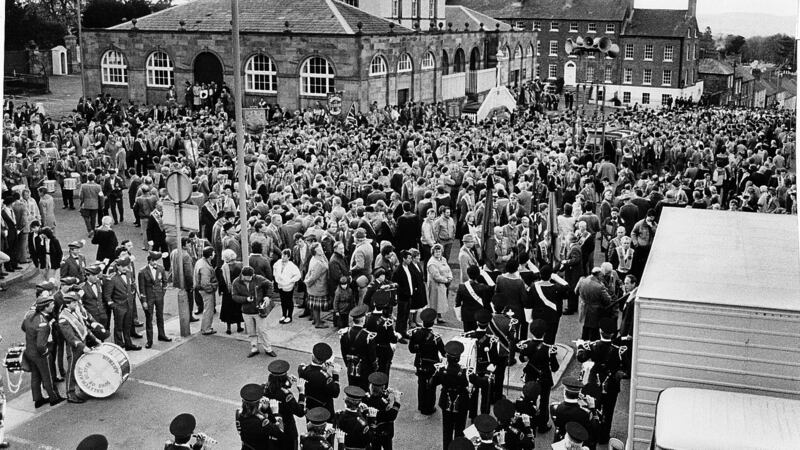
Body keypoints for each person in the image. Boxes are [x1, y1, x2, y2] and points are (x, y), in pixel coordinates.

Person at [576, 318, 629, 445]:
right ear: (612, 333)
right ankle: (604, 436)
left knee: (594, 408)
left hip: (596, 382)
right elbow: (626, 369)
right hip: (611, 384)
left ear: (600, 331)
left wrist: (579, 347)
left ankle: (593, 432)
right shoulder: (620, 349)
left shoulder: (592, 345)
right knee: (608, 411)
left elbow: (581, 358)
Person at [58, 292, 102, 403]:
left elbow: (84, 328)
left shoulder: (75, 312)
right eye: (74, 302)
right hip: (74, 348)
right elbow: (70, 337)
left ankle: (84, 389)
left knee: (83, 368)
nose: (76, 304)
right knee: (72, 370)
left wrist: (95, 339)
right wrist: (83, 347)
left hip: (82, 345)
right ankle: (70, 393)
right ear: (67, 304)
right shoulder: (63, 318)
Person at [21, 296, 64, 408]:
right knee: (47, 376)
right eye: (51, 305)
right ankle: (54, 397)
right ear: (45, 307)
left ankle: (38, 399)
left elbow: (23, 327)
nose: (53, 306)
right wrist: (46, 353)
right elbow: (41, 344)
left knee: (35, 377)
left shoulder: (30, 316)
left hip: (30, 352)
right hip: (40, 354)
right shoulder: (44, 324)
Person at [517, 319, 559, 433]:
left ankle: (530, 422)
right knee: (544, 402)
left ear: (531, 332)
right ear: (544, 333)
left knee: (530, 400)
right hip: (544, 377)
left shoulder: (527, 346)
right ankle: (542, 424)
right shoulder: (549, 349)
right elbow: (555, 367)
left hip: (531, 375)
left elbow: (522, 360)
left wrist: (523, 351)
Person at [431, 340, 471, 450]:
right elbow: (474, 383)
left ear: (447, 357)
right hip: (461, 402)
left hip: (446, 401)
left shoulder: (442, 370)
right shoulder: (465, 372)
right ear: (459, 358)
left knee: (447, 430)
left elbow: (431, 384)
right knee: (460, 429)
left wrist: (436, 373)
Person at [232, 266, 277, 358]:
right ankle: (254, 348)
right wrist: (245, 299)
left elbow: (269, 284)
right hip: (246, 311)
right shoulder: (236, 282)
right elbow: (234, 296)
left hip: (258, 310)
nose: (250, 278)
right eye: (248, 277)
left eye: (251, 276)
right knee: (251, 331)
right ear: (243, 275)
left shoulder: (258, 278)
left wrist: (268, 296)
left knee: (262, 330)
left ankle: (268, 348)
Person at [464, 309, 502, 418]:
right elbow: (495, 358)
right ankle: (484, 416)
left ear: (477, 322)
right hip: (486, 370)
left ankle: (472, 415)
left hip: (473, 369)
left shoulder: (469, 335)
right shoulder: (492, 340)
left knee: (472, 393)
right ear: (488, 324)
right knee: (486, 395)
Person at [262, 359, 307, 450]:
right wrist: (302, 392)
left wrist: (286, 384)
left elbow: (276, 388)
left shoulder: (264, 388)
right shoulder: (287, 395)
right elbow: (300, 412)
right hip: (287, 432)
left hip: (272, 429)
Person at [407, 308, 445, 415]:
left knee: (421, 385)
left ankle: (421, 405)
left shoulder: (415, 334)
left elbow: (412, 350)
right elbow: (443, 352)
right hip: (432, 364)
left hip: (420, 363)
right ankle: (429, 407)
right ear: (432, 323)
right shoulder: (436, 337)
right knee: (431, 386)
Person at [103, 256, 141, 351]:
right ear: (117, 266)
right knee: (118, 327)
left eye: (126, 266)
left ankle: (128, 344)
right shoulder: (112, 278)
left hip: (128, 304)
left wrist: (132, 295)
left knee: (127, 326)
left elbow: (131, 285)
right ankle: (119, 345)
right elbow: (107, 295)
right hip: (119, 306)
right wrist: (113, 306)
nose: (125, 268)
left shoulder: (128, 273)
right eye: (122, 266)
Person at [551, 377, 601, 447]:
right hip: (579, 444)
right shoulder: (586, 413)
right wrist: (592, 408)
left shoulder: (554, 407)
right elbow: (595, 430)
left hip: (561, 441)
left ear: (564, 391)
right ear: (578, 394)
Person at [235, 383, 285, 450]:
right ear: (258, 403)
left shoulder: (238, 412)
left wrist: (264, 410)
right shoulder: (261, 421)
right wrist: (275, 413)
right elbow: (280, 432)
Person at [137, 251, 171, 348]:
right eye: (153, 261)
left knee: (160, 316)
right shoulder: (142, 272)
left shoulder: (161, 268)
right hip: (149, 298)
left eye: (156, 260)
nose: (155, 262)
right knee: (149, 319)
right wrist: (144, 301)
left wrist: (162, 293)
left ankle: (162, 334)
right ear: (149, 261)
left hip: (159, 296)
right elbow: (141, 288)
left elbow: (165, 282)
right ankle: (149, 340)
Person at [298, 343, 340, 420]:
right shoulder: (326, 377)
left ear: (313, 355)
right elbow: (335, 393)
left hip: (310, 407)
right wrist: (335, 374)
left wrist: (323, 369)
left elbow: (310, 370)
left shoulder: (302, 369)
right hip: (325, 409)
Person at [528, 264, 568, 344]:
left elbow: (529, 303)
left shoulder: (533, 287)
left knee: (538, 338)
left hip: (538, 316)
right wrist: (556, 277)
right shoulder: (557, 288)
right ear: (550, 276)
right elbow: (567, 287)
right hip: (552, 316)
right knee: (550, 338)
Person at [339, 304, 376, 391]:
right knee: (363, 391)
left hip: (350, 367)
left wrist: (348, 364)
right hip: (364, 369)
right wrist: (373, 368)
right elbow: (372, 357)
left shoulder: (344, 334)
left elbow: (343, 352)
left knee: (352, 389)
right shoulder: (367, 336)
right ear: (363, 319)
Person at [362, 372, 401, 450]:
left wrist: (386, 393)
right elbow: (391, 415)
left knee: (375, 446)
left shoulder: (366, 397)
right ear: (382, 388)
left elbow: (377, 397)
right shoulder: (383, 403)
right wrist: (397, 400)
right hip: (384, 431)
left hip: (373, 429)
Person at [365, 294, 400, 375]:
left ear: (374, 304)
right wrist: (397, 335)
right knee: (384, 371)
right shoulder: (387, 322)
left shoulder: (368, 318)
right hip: (383, 350)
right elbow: (393, 339)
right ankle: (384, 387)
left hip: (371, 348)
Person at [576, 267, 614, 341]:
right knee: (594, 332)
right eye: (601, 276)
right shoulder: (599, 286)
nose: (602, 277)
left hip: (584, 307)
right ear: (598, 274)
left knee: (585, 328)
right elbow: (607, 300)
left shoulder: (583, 281)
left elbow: (576, 291)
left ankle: (583, 344)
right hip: (595, 311)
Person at [454, 265, 493, 332]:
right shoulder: (485, 288)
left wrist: (460, 316)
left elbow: (457, 304)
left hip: (467, 316)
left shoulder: (461, 287)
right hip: (480, 316)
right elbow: (488, 303)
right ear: (478, 274)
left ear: (468, 274)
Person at [217, 248, 244, 335]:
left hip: (228, 292)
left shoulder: (224, 267)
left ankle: (228, 328)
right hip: (238, 291)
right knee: (238, 308)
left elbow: (221, 281)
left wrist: (221, 291)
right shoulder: (240, 265)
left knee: (228, 309)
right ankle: (239, 326)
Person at [305, 243, 330, 328]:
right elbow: (313, 277)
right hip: (317, 287)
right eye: (318, 248)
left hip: (317, 286)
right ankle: (318, 323)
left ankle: (316, 319)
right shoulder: (318, 263)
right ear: (315, 251)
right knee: (316, 306)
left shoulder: (318, 257)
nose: (321, 249)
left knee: (316, 306)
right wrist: (308, 283)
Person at [194, 246, 218, 335]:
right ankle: (206, 329)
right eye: (213, 253)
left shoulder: (201, 262)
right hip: (206, 291)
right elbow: (205, 283)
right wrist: (212, 288)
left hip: (201, 289)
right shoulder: (205, 267)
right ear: (210, 256)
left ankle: (205, 327)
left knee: (207, 309)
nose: (214, 254)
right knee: (208, 310)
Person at [274, 248, 302, 324]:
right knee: (283, 300)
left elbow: (298, 275)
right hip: (280, 285)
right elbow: (275, 269)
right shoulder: (278, 262)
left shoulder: (291, 266)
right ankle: (284, 314)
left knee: (289, 300)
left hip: (288, 286)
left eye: (285, 256)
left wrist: (290, 281)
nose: (283, 257)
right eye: (282, 255)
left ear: (289, 257)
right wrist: (277, 277)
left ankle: (289, 316)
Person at [426, 243, 452, 324]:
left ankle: (439, 316)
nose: (438, 253)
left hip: (443, 284)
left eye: (439, 252)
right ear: (433, 252)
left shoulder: (443, 259)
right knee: (434, 301)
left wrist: (450, 277)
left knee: (441, 302)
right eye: (436, 252)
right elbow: (436, 276)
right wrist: (446, 280)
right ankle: (432, 318)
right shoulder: (432, 263)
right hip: (435, 285)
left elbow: (448, 269)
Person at [82, 263, 109, 329]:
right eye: (93, 275)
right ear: (87, 276)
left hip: (102, 314)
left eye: (96, 275)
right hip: (92, 316)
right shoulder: (82, 287)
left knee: (103, 334)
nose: (96, 277)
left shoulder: (99, 283)